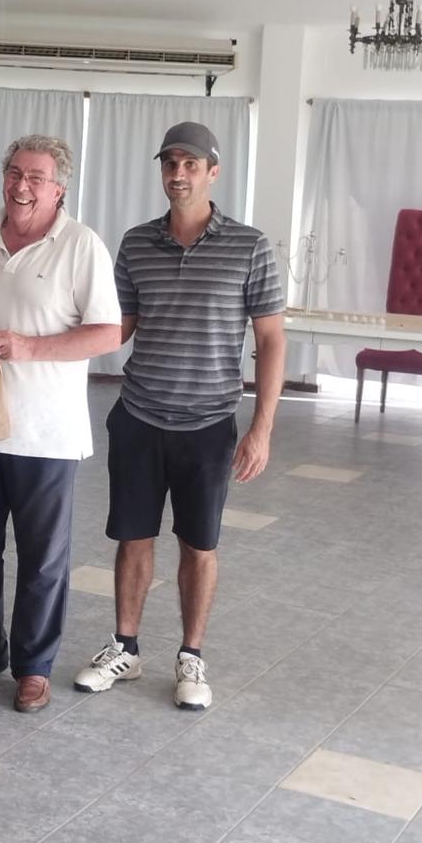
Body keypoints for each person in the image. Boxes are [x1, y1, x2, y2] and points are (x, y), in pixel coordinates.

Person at [74, 121, 285, 711]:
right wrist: (47, 342)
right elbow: (117, 327)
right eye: (170, 163)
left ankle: (191, 656)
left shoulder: (250, 246)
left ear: (212, 172)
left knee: (199, 545)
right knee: (132, 537)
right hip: (139, 417)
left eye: (191, 164)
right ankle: (125, 648)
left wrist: (262, 427)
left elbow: (271, 339)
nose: (179, 173)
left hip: (209, 425)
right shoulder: (137, 243)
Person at [0, 135, 121, 713]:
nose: (22, 186)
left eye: (37, 177)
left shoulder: (81, 245)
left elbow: (108, 333)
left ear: (59, 189)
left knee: (42, 558)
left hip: (46, 432)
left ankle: (34, 667)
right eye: (14, 172)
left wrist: (32, 348)